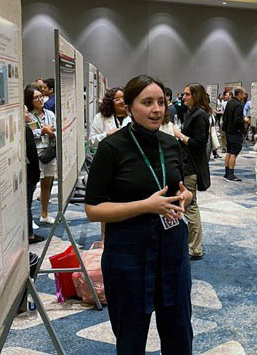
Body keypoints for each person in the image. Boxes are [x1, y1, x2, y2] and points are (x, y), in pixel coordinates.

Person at [85, 74, 193, 355]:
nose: (157, 109)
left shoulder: (170, 145)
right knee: (131, 335)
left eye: (161, 102)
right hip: (128, 253)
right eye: (147, 102)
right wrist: (146, 206)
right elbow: (93, 209)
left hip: (172, 250)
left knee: (179, 330)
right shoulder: (111, 148)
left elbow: (183, 189)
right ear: (129, 107)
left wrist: (185, 197)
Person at [88, 87, 131, 242]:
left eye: (124, 98)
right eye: (117, 98)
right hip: (106, 166)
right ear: (110, 101)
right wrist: (107, 135)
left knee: (127, 203)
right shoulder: (100, 118)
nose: (121, 101)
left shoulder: (133, 116)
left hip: (127, 166)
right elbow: (91, 141)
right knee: (106, 204)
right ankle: (105, 238)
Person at [173, 83, 211, 261]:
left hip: (192, 167)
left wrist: (180, 135)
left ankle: (195, 248)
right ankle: (192, 245)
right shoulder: (192, 113)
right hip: (186, 165)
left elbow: (198, 144)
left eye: (187, 94)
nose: (184, 97)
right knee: (188, 205)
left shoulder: (200, 115)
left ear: (196, 95)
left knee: (190, 206)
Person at [24, 85, 56, 224]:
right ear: (30, 100)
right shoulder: (27, 115)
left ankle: (44, 214)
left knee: (47, 184)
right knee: (31, 187)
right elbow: (30, 134)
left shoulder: (50, 114)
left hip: (49, 152)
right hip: (35, 153)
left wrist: (48, 132)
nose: (39, 100)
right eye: (35, 97)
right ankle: (29, 218)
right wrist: (43, 131)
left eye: (41, 96)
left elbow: (55, 132)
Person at [24, 105, 44, 243]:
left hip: (23, 173)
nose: (28, 114)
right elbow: (32, 155)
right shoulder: (26, 130)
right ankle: (30, 234)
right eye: (25, 111)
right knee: (27, 205)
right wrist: (36, 175)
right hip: (29, 174)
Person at [222, 87, 249, 182]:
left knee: (229, 152)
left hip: (229, 131)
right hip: (235, 132)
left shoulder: (229, 103)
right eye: (244, 94)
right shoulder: (238, 105)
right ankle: (231, 174)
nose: (245, 95)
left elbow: (224, 117)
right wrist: (244, 120)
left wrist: (224, 129)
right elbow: (237, 120)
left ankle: (226, 173)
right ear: (239, 94)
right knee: (234, 153)